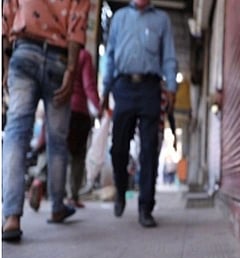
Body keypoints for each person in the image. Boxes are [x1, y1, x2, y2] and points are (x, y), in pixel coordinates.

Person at [2, 0, 91, 241]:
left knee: (16, 133)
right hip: (59, 58)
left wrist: (5, 64)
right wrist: (71, 70)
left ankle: (11, 216)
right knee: (57, 141)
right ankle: (57, 207)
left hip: (23, 51)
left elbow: (7, 13)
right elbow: (77, 25)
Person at [102, 0, 177, 228]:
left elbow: (169, 57)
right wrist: (105, 89)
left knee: (149, 150)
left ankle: (146, 207)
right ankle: (121, 188)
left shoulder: (162, 20)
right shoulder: (119, 18)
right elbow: (110, 55)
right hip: (123, 87)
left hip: (150, 88)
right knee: (118, 148)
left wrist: (172, 87)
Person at [67, 48, 102, 208]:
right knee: (77, 155)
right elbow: (88, 84)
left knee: (58, 152)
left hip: (60, 109)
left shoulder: (61, 49)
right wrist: (98, 107)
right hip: (79, 111)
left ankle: (42, 181)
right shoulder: (84, 55)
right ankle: (72, 196)